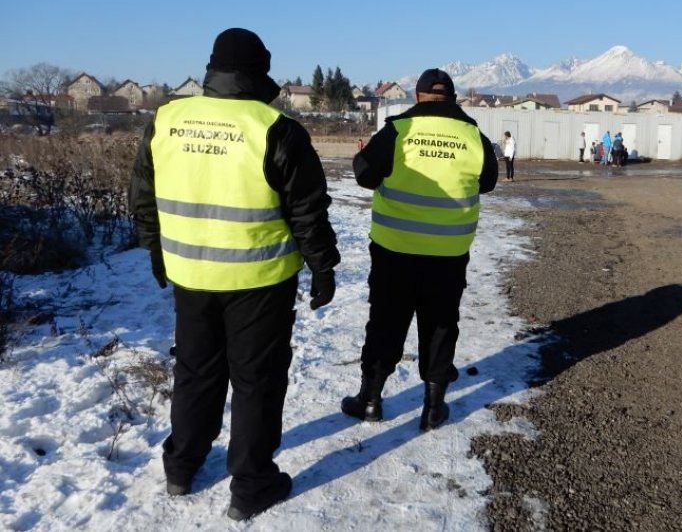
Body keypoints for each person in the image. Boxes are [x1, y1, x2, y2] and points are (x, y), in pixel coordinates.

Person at [128, 28, 340, 521]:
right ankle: (251, 484)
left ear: (212, 69)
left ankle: (181, 466)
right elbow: (307, 211)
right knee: (256, 381)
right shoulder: (275, 128)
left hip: (190, 275)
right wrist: (322, 266)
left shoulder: (167, 119)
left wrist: (155, 251)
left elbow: (143, 196)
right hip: (258, 281)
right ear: (260, 72)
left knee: (195, 371)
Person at [342, 68, 497, 431]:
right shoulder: (474, 136)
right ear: (453, 97)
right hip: (448, 255)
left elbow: (364, 175)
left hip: (394, 251)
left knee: (385, 322)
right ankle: (433, 408)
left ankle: (370, 400)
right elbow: (488, 182)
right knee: (440, 326)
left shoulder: (397, 131)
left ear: (417, 96)